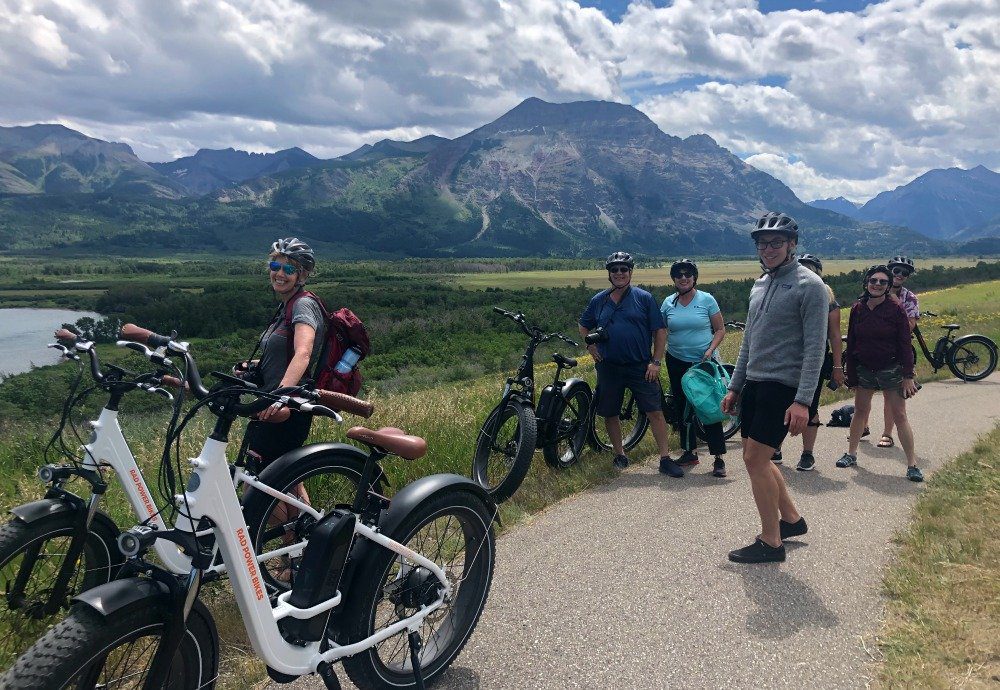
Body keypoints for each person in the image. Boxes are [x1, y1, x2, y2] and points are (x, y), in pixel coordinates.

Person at [721, 212, 828, 563]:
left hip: (784, 387)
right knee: (758, 458)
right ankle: (792, 521)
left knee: (755, 459)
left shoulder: (810, 286)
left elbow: (815, 349)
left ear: (792, 244)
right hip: (756, 383)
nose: (768, 249)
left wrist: (803, 401)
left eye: (776, 242)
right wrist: (736, 386)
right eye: (762, 243)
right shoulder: (759, 284)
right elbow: (749, 341)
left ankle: (771, 541)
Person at [238, 237, 327, 580]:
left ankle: (290, 554)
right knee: (287, 480)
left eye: (288, 268)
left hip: (286, 409)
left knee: (259, 485)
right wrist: (254, 366)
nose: (279, 273)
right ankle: (304, 547)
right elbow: (284, 352)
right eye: (274, 265)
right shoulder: (286, 305)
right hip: (274, 404)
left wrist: (280, 396)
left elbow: (303, 353)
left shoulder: (303, 305)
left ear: (302, 274)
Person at [580, 252, 682, 477]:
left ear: (630, 273)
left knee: (655, 411)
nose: (619, 273)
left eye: (623, 269)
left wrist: (656, 361)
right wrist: (590, 347)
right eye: (614, 270)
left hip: (640, 365)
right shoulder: (599, 300)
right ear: (609, 273)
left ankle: (665, 458)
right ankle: (620, 454)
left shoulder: (643, 298)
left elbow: (660, 331)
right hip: (609, 366)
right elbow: (583, 325)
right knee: (610, 412)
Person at [837, 265, 922, 481]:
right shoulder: (858, 308)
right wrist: (852, 374)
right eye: (873, 280)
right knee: (860, 411)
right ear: (866, 282)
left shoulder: (896, 310)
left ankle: (912, 464)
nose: (877, 284)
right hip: (865, 369)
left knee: (900, 415)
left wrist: (908, 376)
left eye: (883, 282)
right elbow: (853, 341)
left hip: (891, 368)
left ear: (887, 286)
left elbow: (904, 344)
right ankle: (851, 454)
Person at [770, 253, 846, 471]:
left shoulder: (829, 301)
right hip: (787, 359)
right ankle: (776, 446)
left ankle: (807, 453)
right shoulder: (787, 294)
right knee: (781, 404)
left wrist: (837, 368)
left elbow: (834, 336)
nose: (805, 272)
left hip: (814, 360)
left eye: (810, 268)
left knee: (809, 407)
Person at [659, 259, 728, 478]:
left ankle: (719, 458)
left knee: (708, 407)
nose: (683, 278)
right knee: (683, 406)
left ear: (694, 277)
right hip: (676, 360)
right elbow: (660, 332)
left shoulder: (706, 300)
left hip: (703, 362)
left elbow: (720, 329)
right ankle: (690, 452)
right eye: (678, 275)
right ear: (674, 279)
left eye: (688, 274)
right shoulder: (668, 303)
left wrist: (710, 350)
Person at [877, 256, 919, 449]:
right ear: (889, 271)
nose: (900, 275)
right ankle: (863, 426)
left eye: (905, 273)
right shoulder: (876, 289)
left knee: (890, 396)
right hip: (874, 349)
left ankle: (887, 433)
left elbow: (909, 326)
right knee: (864, 393)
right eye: (896, 271)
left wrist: (895, 303)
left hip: (896, 352)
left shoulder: (909, 298)